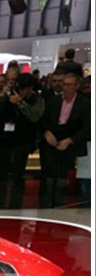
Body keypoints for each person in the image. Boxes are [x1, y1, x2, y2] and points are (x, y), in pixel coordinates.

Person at [0, 73, 45, 209]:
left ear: (30, 88)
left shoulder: (37, 99)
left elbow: (35, 116)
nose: (22, 91)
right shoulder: (8, 95)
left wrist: (20, 102)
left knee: (18, 174)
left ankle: (15, 205)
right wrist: (2, 95)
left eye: (25, 89)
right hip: (4, 138)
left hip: (23, 140)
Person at [40, 74, 91, 208]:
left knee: (62, 177)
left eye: (69, 85)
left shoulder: (85, 103)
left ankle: (58, 205)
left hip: (70, 144)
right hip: (51, 142)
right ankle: (46, 206)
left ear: (77, 86)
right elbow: (43, 119)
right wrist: (46, 132)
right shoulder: (54, 101)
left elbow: (88, 127)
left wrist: (70, 140)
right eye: (64, 84)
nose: (66, 88)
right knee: (48, 176)